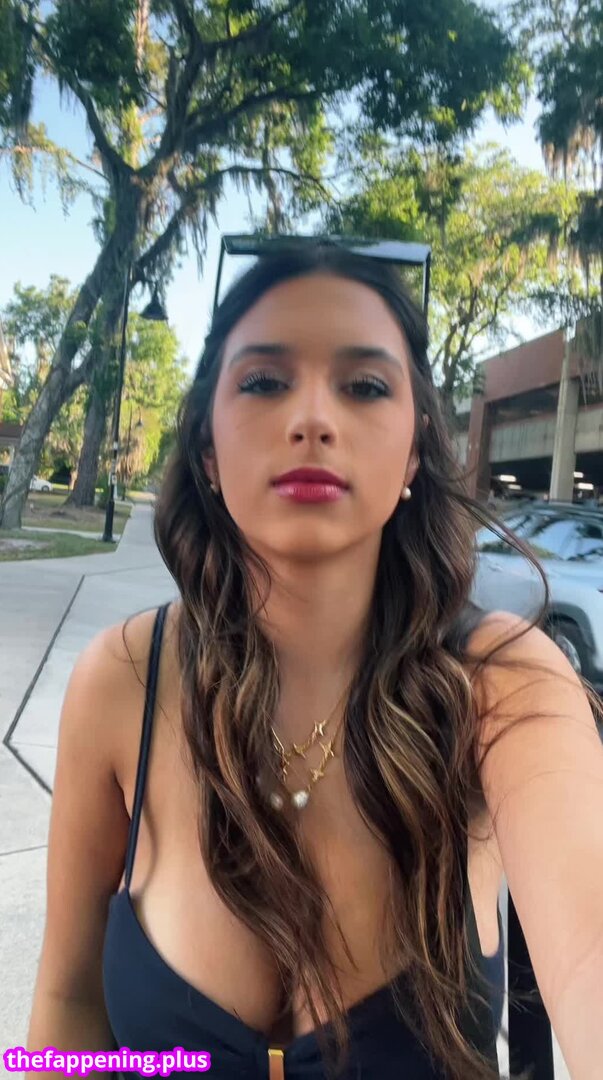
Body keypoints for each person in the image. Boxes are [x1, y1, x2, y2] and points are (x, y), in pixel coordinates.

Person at [26, 244, 603, 1080]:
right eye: (264, 381)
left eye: (363, 386)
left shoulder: (503, 687)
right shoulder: (120, 682)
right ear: (209, 451)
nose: (311, 419)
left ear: (412, 454)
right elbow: (66, 1003)